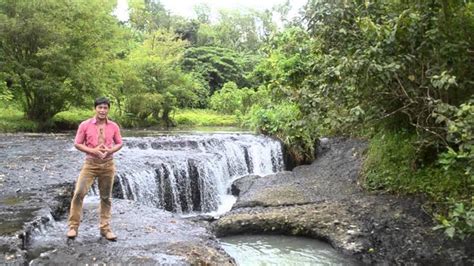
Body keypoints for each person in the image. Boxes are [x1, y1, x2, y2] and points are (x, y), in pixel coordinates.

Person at [66, 97, 123, 241]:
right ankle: (73, 227)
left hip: (108, 165)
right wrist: (93, 151)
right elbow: (77, 144)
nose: (102, 110)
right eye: (100, 107)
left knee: (105, 198)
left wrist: (110, 150)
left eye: (105, 108)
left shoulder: (114, 126)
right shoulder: (85, 125)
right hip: (90, 164)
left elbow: (119, 143)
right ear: (95, 109)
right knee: (79, 193)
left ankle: (105, 229)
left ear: (108, 109)